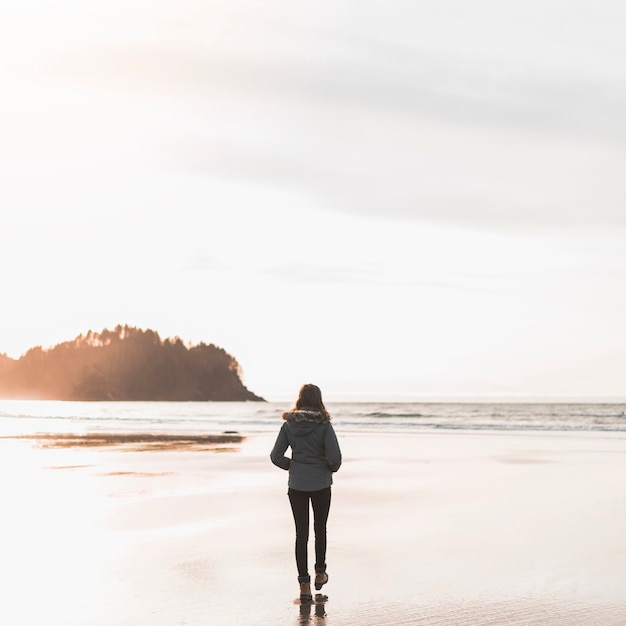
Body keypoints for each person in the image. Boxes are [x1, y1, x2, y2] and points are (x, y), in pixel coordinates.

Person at [270, 384, 342, 603]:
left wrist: (294, 465)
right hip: (321, 484)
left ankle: (304, 586)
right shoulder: (324, 425)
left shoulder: (288, 425)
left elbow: (275, 456)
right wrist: (326, 467)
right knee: (320, 529)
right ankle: (320, 572)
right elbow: (335, 460)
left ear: (300, 400)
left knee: (301, 535)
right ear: (318, 400)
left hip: (297, 485)